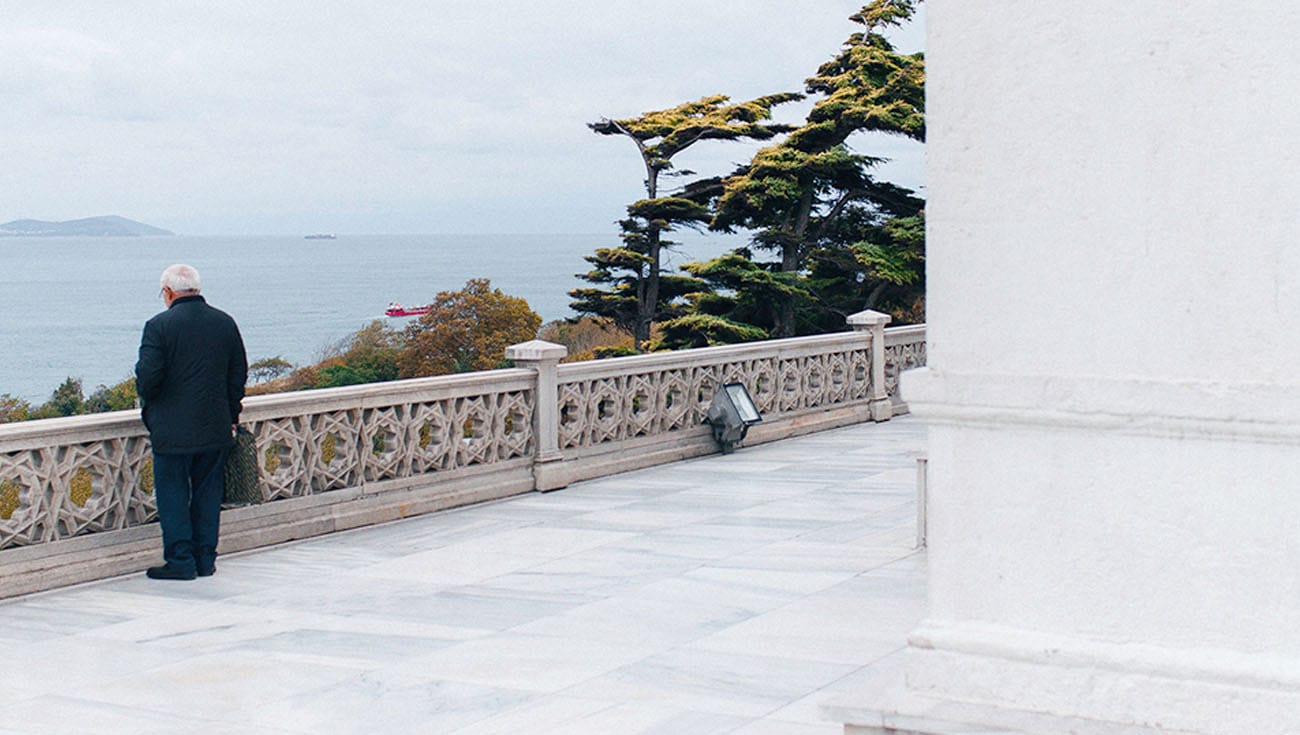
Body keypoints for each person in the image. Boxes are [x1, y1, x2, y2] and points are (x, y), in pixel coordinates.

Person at [135, 264, 247, 580]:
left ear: (168, 292)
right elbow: (237, 374)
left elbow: (148, 378)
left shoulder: (158, 326)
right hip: (215, 426)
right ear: (196, 289)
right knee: (208, 495)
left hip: (171, 429)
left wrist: (151, 406)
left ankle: (181, 561)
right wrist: (231, 415)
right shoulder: (224, 322)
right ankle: (205, 559)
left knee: (172, 495)